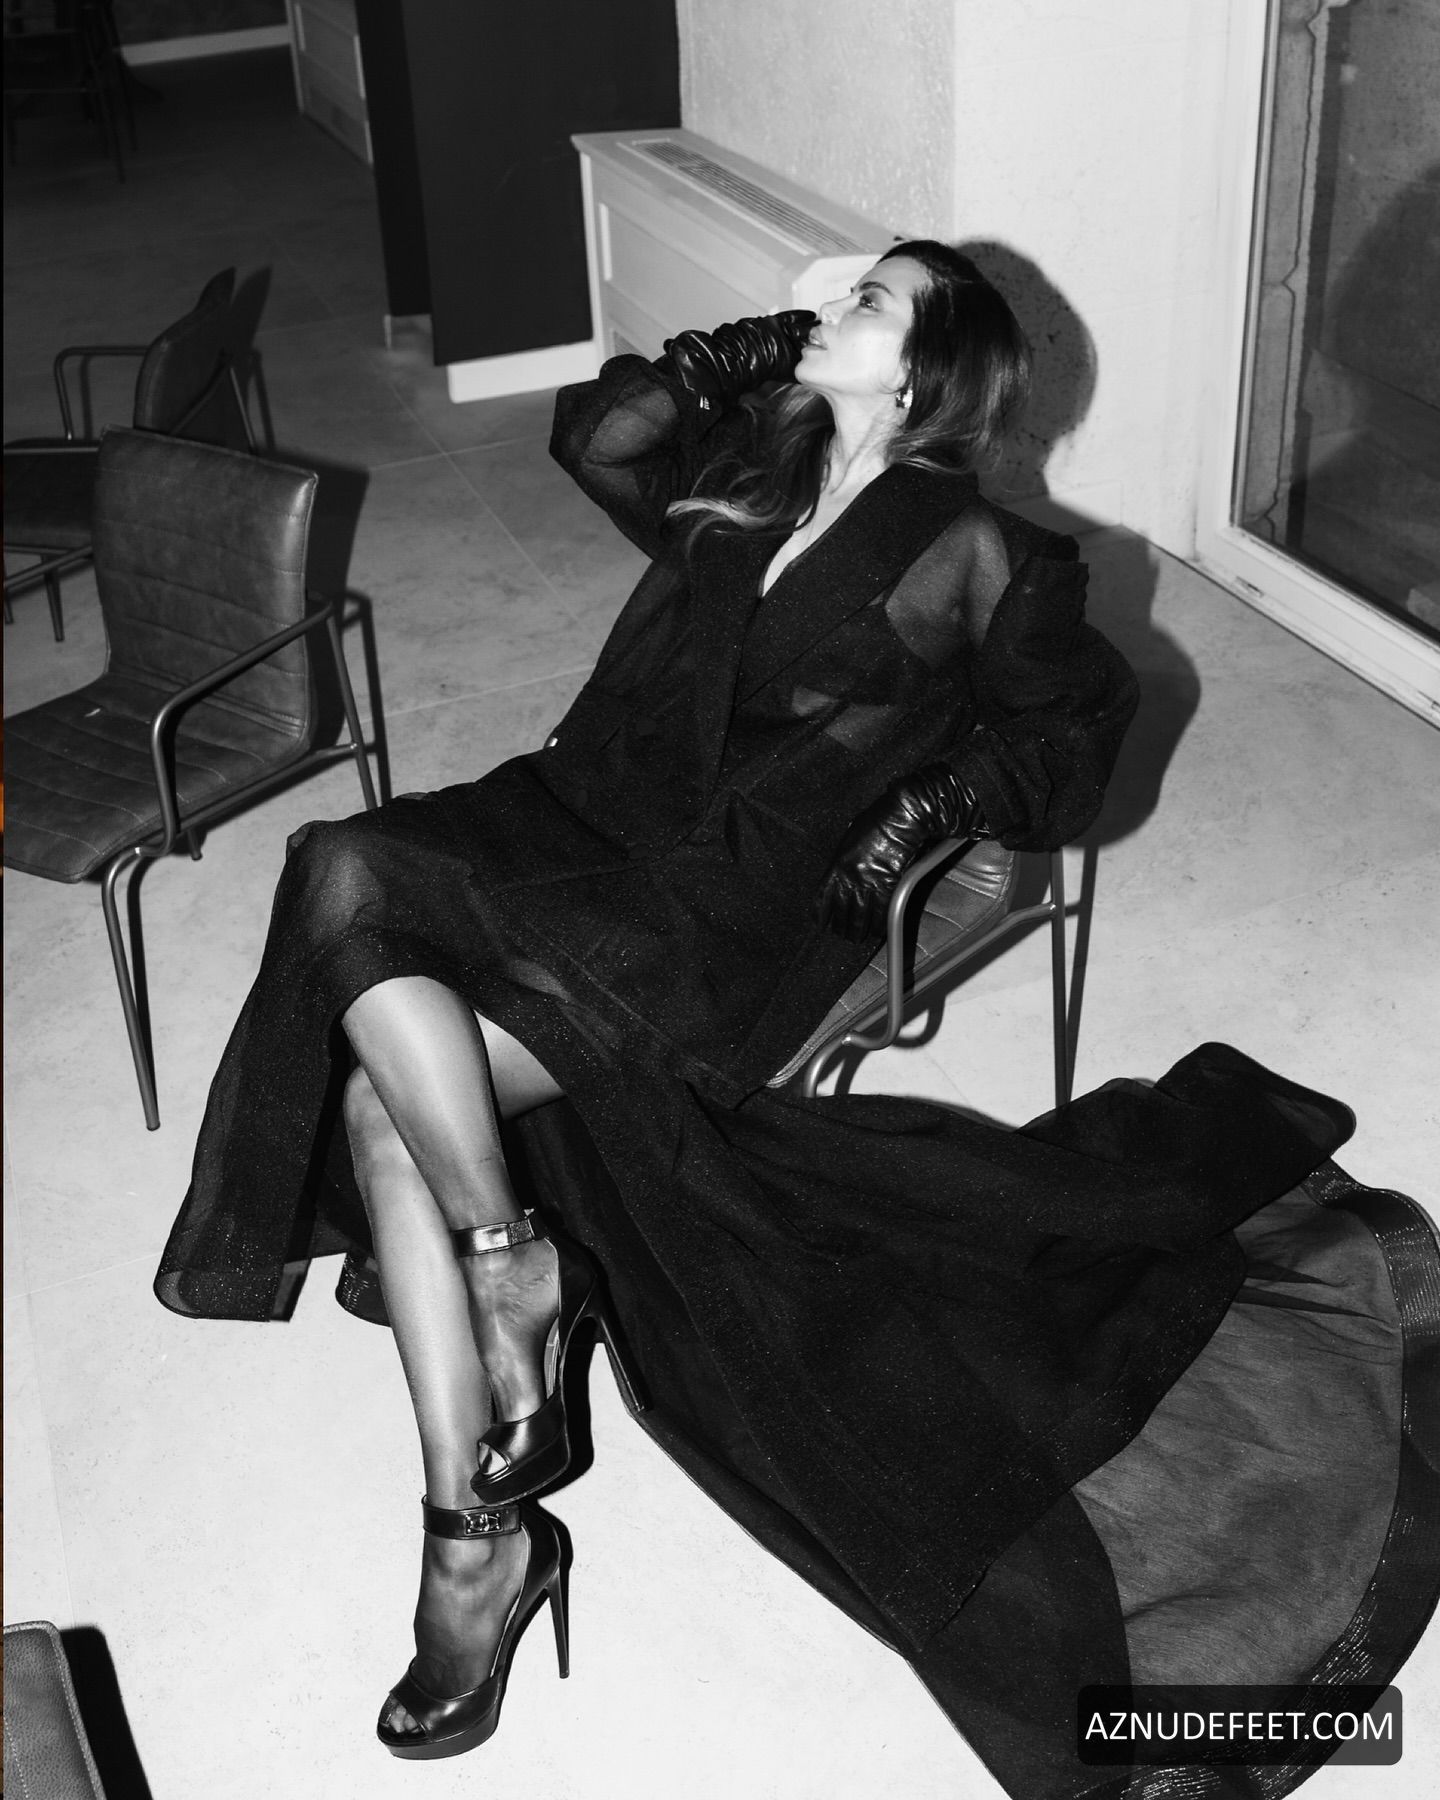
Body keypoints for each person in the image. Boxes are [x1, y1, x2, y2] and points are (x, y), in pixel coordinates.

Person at [156, 243, 1437, 1794]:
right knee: (348, 902)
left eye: (865, 303)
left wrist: (943, 798)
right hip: (582, 815)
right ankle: (509, 1291)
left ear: (925, 370)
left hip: (732, 909)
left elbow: (1077, 737)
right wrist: (735, 354)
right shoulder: (752, 465)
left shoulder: (987, 550)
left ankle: (474, 1539)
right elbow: (595, 436)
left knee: (379, 1059)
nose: (827, 309)